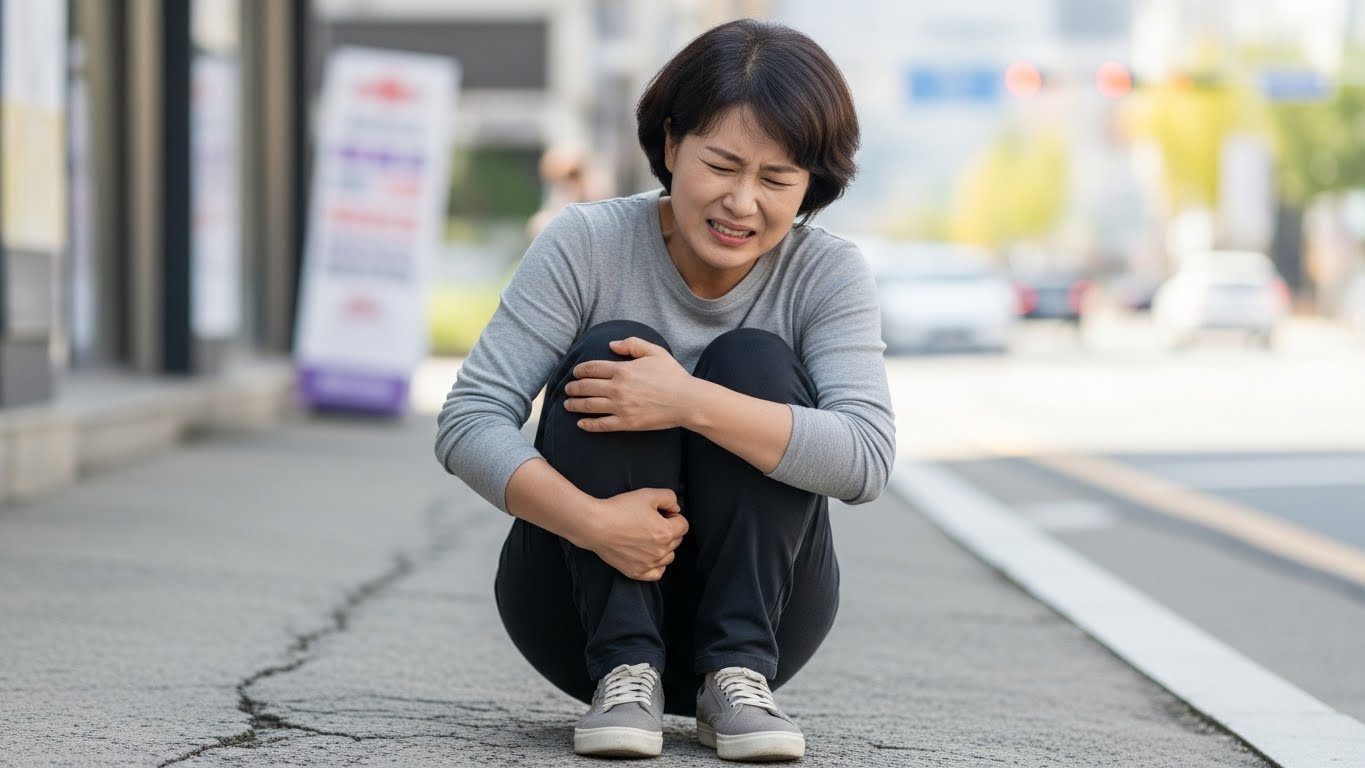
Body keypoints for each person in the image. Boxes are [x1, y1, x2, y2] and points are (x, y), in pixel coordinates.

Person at [435, 18, 894, 762]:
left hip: (772, 623)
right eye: (722, 165)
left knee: (754, 363)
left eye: (775, 179)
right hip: (573, 616)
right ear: (672, 144)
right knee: (608, 346)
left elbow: (865, 460)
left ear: (811, 185)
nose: (742, 203)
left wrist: (684, 400)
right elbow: (467, 420)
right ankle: (624, 670)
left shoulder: (826, 273)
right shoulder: (585, 243)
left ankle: (735, 676)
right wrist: (590, 521)